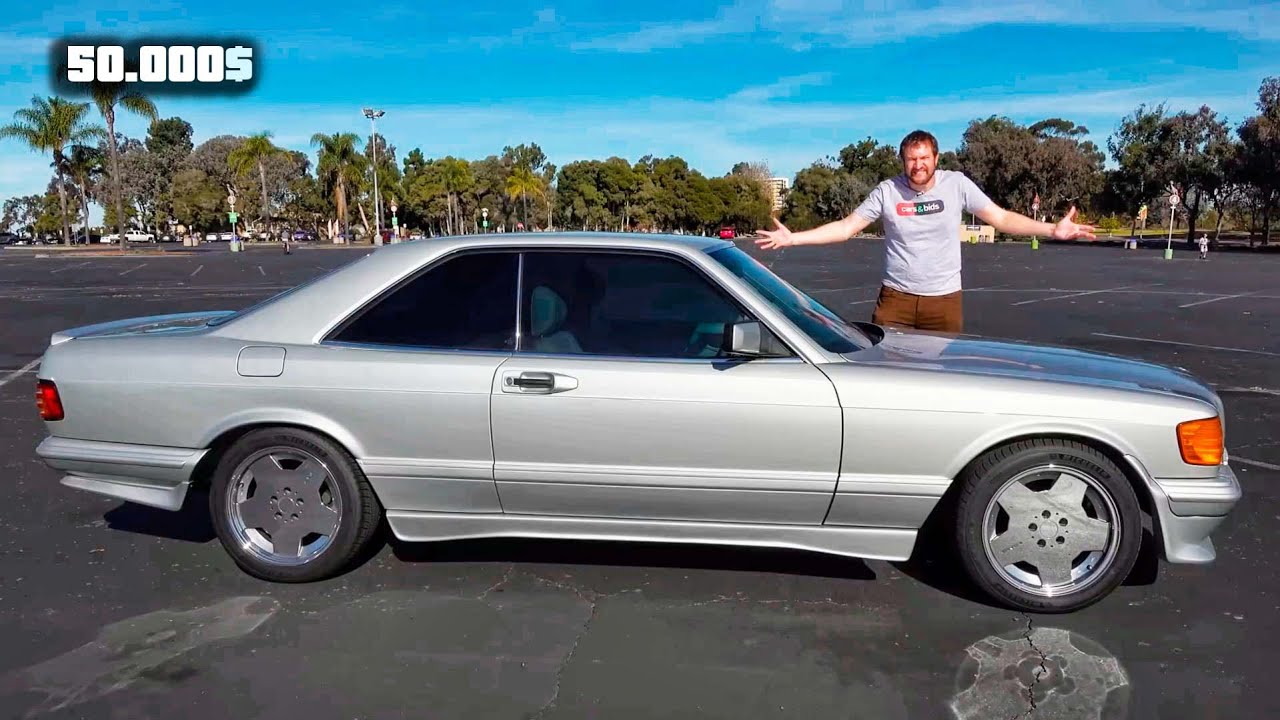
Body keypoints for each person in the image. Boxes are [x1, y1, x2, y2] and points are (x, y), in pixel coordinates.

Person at [755, 129, 1097, 333]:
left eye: (923, 158)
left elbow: (1001, 218)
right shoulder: (888, 191)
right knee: (888, 377)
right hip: (896, 301)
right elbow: (846, 227)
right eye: (910, 159)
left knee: (940, 384)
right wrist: (793, 238)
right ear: (903, 161)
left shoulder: (957, 185)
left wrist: (1053, 228)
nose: (917, 165)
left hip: (943, 301)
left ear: (936, 158)